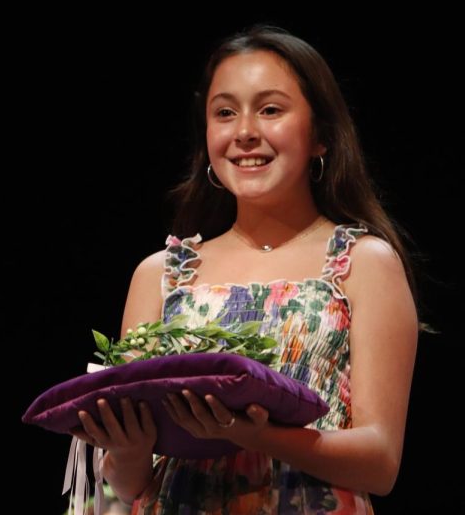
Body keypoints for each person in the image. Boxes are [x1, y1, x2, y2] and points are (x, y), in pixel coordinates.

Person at [71, 25, 418, 513]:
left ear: (319, 134)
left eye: (271, 109)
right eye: (225, 113)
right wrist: (126, 447)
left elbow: (380, 463)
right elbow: (128, 487)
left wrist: (259, 435)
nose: (245, 131)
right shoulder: (161, 274)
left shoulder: (362, 263)